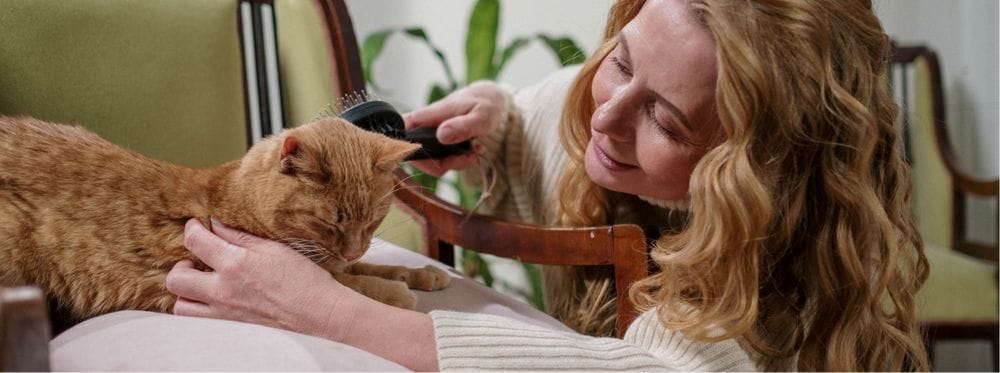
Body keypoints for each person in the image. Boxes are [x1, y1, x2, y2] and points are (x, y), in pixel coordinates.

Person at [165, 0, 930, 370]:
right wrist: (496, 121)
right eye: (621, 60)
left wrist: (322, 308)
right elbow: (543, 110)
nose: (606, 117)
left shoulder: (771, 276)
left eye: (665, 119)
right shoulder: (605, 101)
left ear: (754, 171)